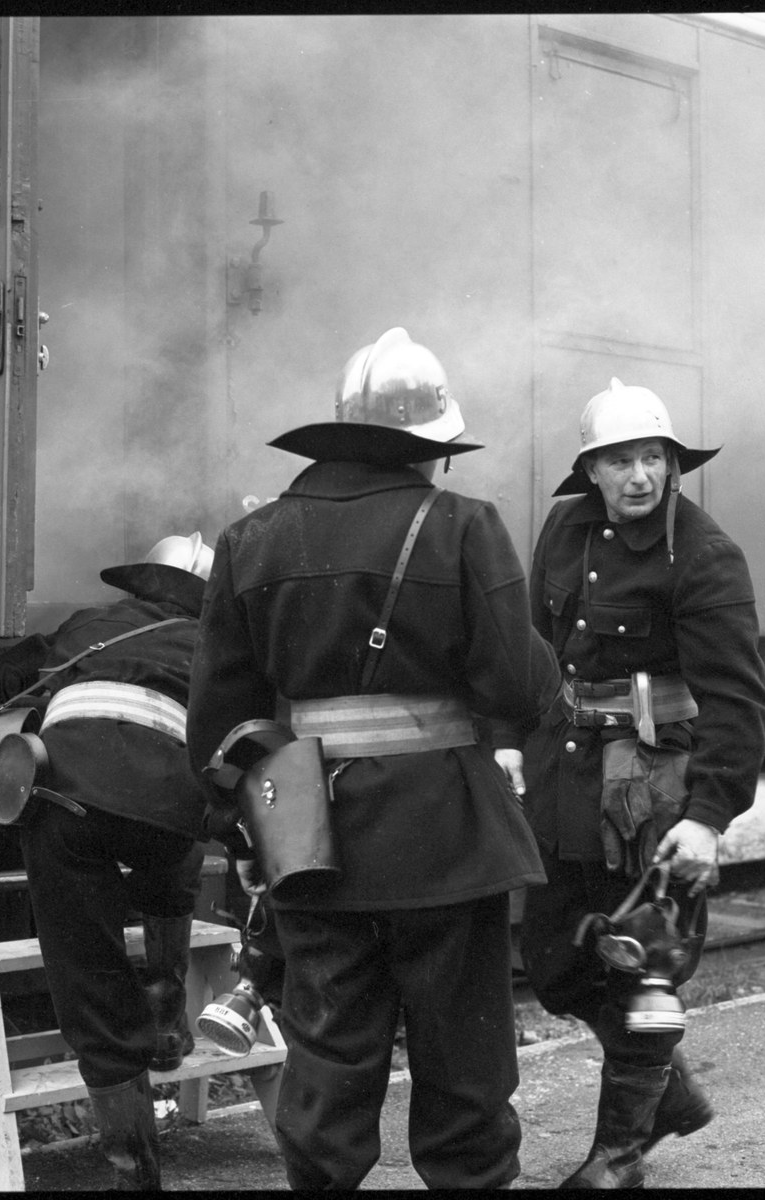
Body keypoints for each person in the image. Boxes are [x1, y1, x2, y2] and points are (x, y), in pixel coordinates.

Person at [186, 327, 560, 1190]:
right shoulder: (465, 526)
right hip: (448, 838)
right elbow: (513, 684)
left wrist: (246, 836)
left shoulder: (252, 540)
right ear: (433, 446)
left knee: (326, 1056)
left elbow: (217, 718)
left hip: (312, 837)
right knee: (464, 1062)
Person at [512, 378, 765, 1189]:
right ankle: (666, 1088)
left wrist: (707, 818)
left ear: (672, 463)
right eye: (621, 459)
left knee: (644, 959)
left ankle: (618, 1155)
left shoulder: (703, 554)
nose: (640, 475)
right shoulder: (563, 528)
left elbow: (741, 703)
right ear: (591, 468)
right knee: (556, 960)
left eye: (654, 457)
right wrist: (509, 745)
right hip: (564, 770)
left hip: (653, 786)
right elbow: (535, 648)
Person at [0, 533, 216, 1191]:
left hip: (71, 803)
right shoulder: (220, 643)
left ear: (143, 582)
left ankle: (135, 1175)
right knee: (173, 846)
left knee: (86, 969)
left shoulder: (91, 625)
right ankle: (167, 1003)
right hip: (165, 814)